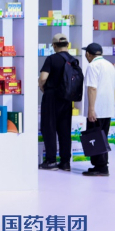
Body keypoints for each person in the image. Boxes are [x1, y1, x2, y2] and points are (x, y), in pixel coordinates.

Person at [38, 33, 73, 171]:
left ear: (54, 45)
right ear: (67, 45)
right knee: (65, 130)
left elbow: (43, 78)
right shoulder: (73, 60)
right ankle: (65, 162)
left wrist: (43, 88)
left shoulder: (51, 59)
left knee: (49, 127)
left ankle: (51, 161)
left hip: (52, 97)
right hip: (67, 98)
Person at [81, 43, 115, 177]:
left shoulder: (92, 66)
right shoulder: (109, 65)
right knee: (102, 137)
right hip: (107, 108)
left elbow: (92, 88)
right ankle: (101, 166)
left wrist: (91, 109)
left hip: (96, 108)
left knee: (95, 138)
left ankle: (101, 167)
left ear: (88, 54)